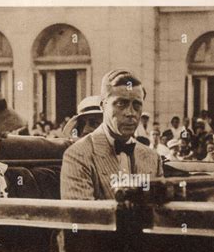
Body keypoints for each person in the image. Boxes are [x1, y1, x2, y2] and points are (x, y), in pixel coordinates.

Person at [60, 69, 163, 200]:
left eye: (137, 105)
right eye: (121, 103)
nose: (130, 113)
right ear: (103, 106)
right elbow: (82, 217)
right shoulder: (78, 156)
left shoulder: (153, 158)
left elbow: (162, 212)